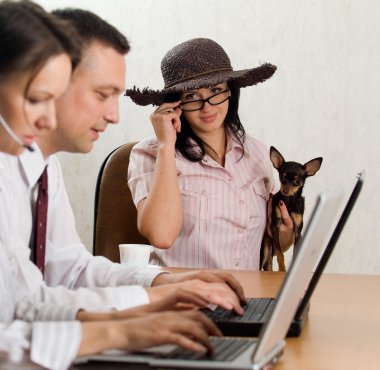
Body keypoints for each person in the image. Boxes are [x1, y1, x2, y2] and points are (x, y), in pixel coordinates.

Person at [0, 2, 220, 369]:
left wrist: (147, 299)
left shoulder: (43, 168)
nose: (115, 115)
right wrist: (121, 326)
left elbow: (32, 295)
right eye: (39, 98)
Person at [126, 38, 295, 269]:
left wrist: (284, 236)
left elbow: (269, 245)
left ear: (230, 92)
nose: (208, 107)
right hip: (182, 296)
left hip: (247, 297)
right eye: (192, 96)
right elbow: (161, 236)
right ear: (176, 104)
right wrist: (166, 145)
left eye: (215, 90)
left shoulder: (259, 153)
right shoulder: (150, 153)